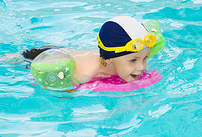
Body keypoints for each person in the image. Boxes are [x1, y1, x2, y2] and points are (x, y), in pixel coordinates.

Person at [22, 16, 166, 90]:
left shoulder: (119, 58)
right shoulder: (84, 74)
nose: (142, 67)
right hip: (48, 56)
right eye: (133, 60)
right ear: (109, 59)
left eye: (145, 58)